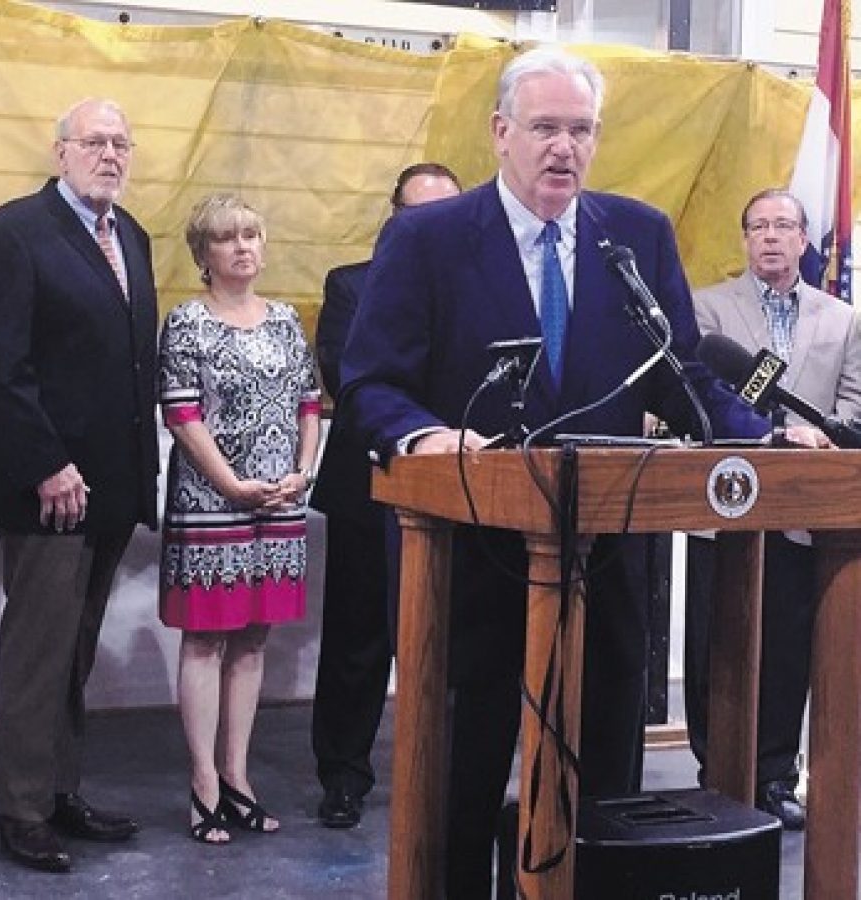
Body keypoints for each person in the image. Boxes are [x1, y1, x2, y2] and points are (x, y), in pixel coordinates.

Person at [336, 47, 828, 899]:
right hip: (470, 558)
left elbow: (685, 377)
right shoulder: (429, 238)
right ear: (501, 133)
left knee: (604, 788)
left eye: (581, 130)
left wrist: (766, 436)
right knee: (462, 780)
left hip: (603, 558)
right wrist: (423, 436)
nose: (563, 148)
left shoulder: (632, 233)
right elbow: (370, 381)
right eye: (545, 129)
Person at [0, 98, 159, 873]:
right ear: (60, 152)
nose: (109, 154)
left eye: (121, 142)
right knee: (39, 654)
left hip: (109, 488)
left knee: (75, 651)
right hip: (48, 487)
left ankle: (59, 793)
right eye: (93, 142)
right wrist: (47, 462)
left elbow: (128, 363)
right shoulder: (11, 233)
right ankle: (20, 810)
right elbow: (2, 367)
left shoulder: (131, 235)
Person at [685, 188, 861, 830]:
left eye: (783, 225)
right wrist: (766, 430)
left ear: (805, 239)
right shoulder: (707, 308)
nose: (770, 237)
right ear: (744, 238)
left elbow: (851, 407)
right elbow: (702, 401)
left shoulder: (841, 318)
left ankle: (776, 777)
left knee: (787, 652)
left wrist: (819, 435)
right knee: (716, 648)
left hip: (803, 513)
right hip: (723, 506)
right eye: (757, 225)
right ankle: (717, 776)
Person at [158, 194, 322, 844]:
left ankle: (238, 778)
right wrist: (230, 483)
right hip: (211, 504)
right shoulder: (186, 322)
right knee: (205, 639)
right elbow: (181, 411)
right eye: (227, 238)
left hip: (280, 502)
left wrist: (303, 471)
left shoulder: (284, 320)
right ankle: (202, 785)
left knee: (253, 640)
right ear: (204, 254)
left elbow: (311, 401)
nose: (243, 247)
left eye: (252, 234)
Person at [310, 163, 462, 829]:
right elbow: (353, 377)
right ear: (393, 214)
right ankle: (343, 775)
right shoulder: (351, 285)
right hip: (371, 484)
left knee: (454, 640)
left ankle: (450, 774)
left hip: (462, 487)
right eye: (416, 211)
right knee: (358, 639)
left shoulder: (483, 288)